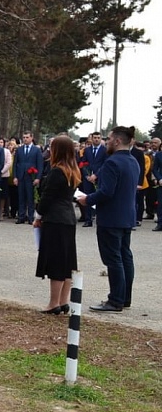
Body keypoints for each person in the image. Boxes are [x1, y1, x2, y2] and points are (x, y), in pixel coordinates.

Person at [77, 126, 141, 312]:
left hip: (111, 217)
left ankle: (115, 300)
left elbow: (106, 192)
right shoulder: (133, 161)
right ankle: (125, 297)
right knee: (125, 256)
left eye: (109, 139)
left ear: (118, 141)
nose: (106, 142)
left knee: (113, 259)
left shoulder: (112, 163)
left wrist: (87, 199)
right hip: (126, 216)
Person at [33, 136, 80, 314]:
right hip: (68, 218)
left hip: (55, 219)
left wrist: (38, 215)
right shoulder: (73, 170)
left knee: (56, 262)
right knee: (67, 262)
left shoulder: (57, 171)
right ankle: (63, 301)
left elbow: (47, 197)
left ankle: (53, 303)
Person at [13, 131, 44, 225]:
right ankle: (21, 216)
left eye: (27, 137)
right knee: (21, 198)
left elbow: (40, 165)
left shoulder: (36, 150)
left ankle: (31, 217)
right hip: (21, 176)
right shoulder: (19, 149)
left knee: (30, 198)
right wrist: (15, 177)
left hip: (31, 177)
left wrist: (38, 178)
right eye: (24, 137)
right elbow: (15, 164)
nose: (25, 139)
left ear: (31, 138)